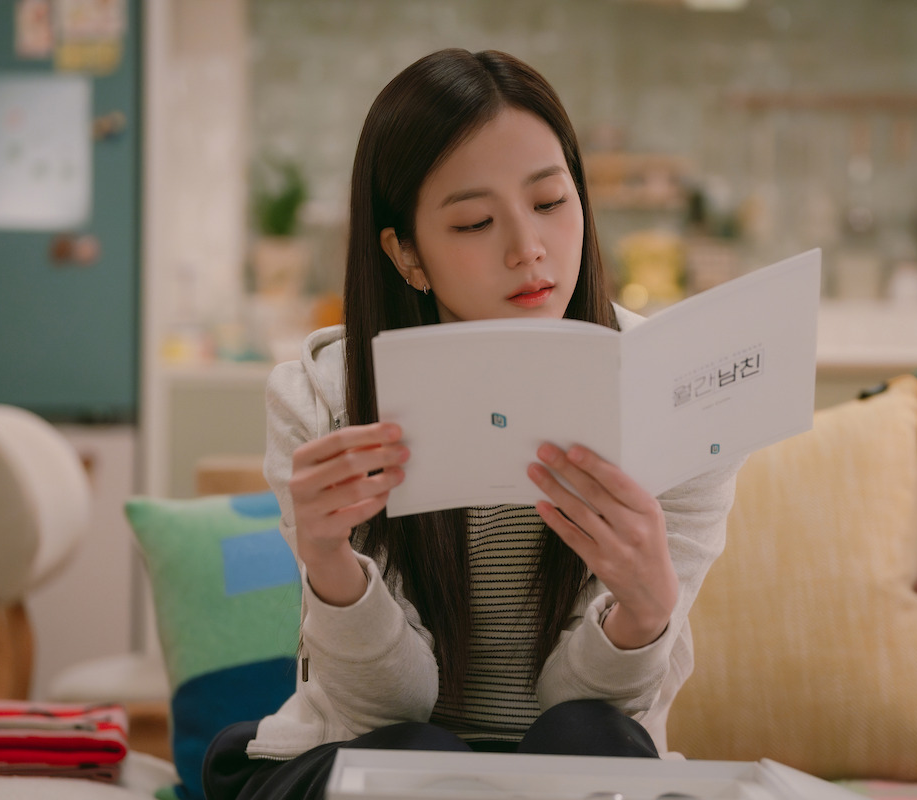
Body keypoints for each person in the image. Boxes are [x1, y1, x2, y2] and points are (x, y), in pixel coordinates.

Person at [203, 48, 742, 800]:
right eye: (475, 221)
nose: (528, 248)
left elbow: (593, 723)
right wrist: (330, 567)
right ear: (406, 253)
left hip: (576, 764)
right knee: (412, 757)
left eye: (551, 203)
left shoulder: (671, 390)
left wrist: (647, 611)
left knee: (587, 740)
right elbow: (383, 713)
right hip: (372, 758)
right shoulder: (321, 399)